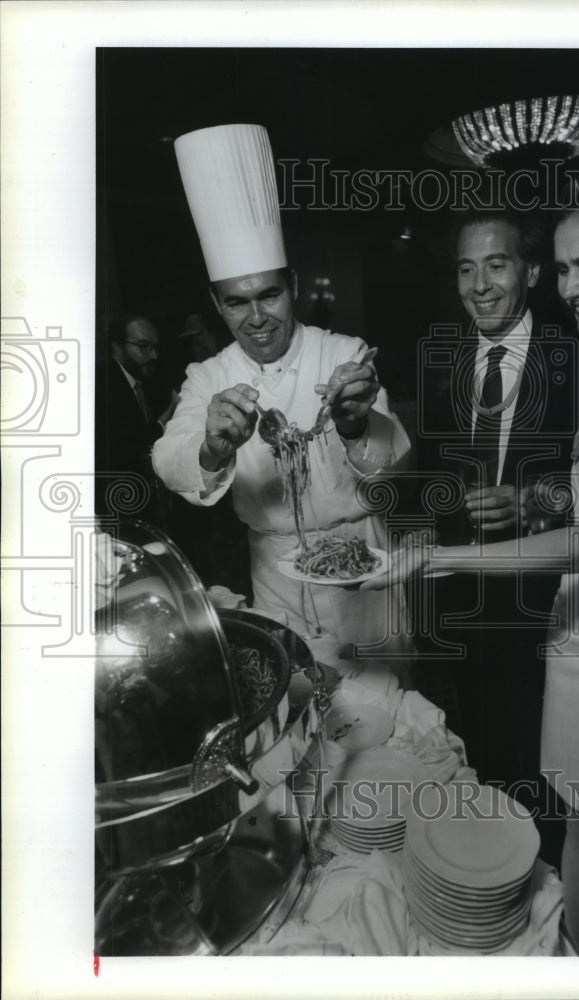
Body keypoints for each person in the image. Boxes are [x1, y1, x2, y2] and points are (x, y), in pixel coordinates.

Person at [368, 191, 579, 955]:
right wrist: (526, 499)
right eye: (569, 270)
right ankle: (547, 940)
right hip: (577, 628)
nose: (574, 287)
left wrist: (437, 555)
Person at [152, 124, 411, 659]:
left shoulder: (343, 353)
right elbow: (166, 458)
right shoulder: (208, 375)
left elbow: (393, 465)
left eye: (269, 294)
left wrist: (356, 424)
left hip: (361, 556)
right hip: (275, 571)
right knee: (302, 709)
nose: (256, 318)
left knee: (386, 710)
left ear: (292, 284)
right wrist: (213, 447)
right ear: (216, 302)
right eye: (235, 302)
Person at [417, 209, 579, 865]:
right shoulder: (446, 355)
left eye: (495, 265)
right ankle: (489, 862)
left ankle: (545, 877)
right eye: (466, 268)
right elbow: (430, 475)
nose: (479, 285)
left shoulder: (577, 356)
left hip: (546, 596)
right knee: (480, 741)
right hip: (463, 595)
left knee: (542, 746)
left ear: (529, 271)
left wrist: (531, 505)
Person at [96, 314, 178, 529]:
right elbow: (123, 446)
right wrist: (168, 414)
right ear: (117, 347)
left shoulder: (146, 380)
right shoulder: (102, 384)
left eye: (155, 347)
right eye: (143, 347)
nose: (154, 355)